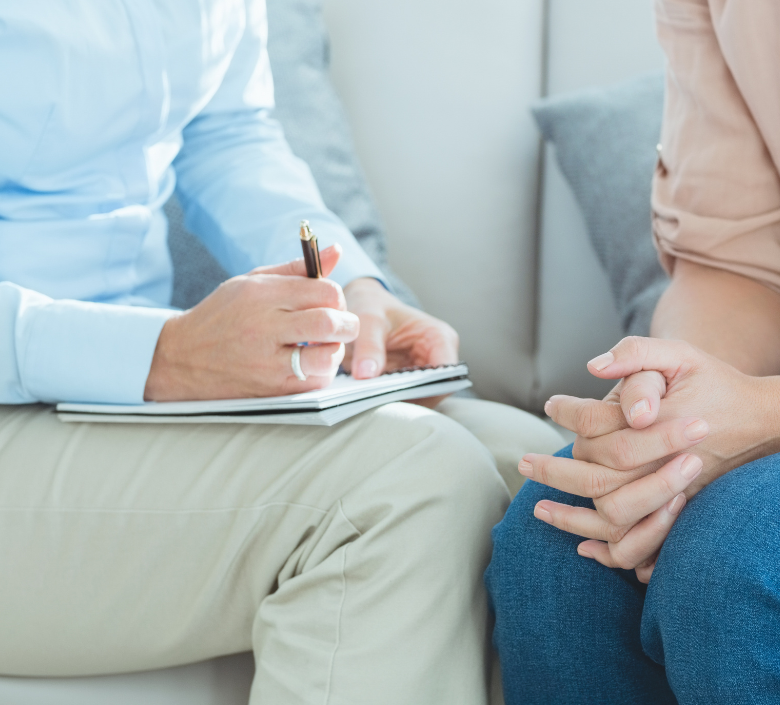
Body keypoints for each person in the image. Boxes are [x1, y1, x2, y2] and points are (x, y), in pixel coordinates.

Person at [0, 1, 561, 703]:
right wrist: (161, 357)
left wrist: (349, 291)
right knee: (404, 483)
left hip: (114, 387)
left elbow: (227, 133)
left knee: (544, 475)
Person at [487, 0, 780, 702]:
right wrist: (671, 407)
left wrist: (769, 411)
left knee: (757, 573)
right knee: (562, 544)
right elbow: (742, 263)